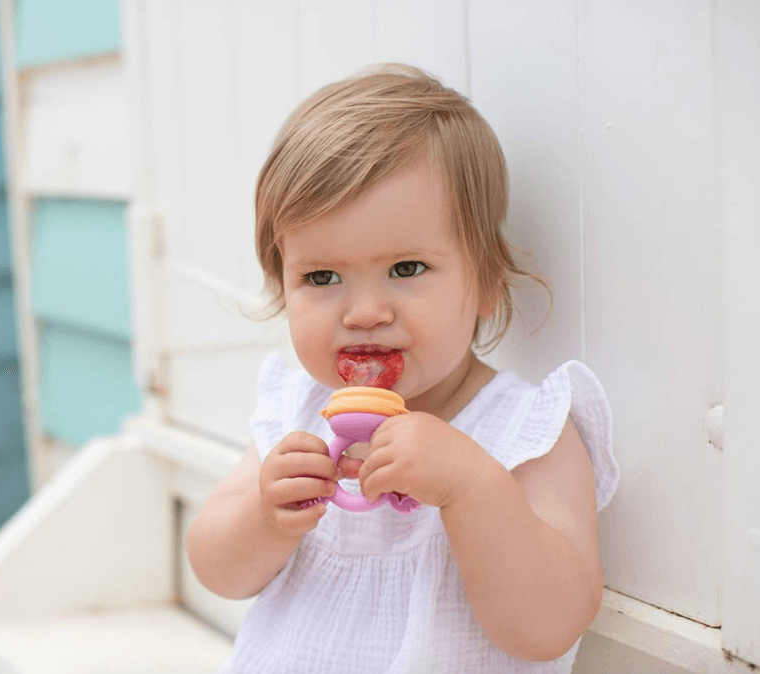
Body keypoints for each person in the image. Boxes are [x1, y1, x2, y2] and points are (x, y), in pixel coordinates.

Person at [186, 62, 620, 673]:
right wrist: (265, 516)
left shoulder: (525, 432)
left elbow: (547, 626)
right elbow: (216, 569)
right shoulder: (299, 416)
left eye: (407, 269)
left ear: (488, 282)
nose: (364, 312)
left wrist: (470, 486)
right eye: (322, 277)